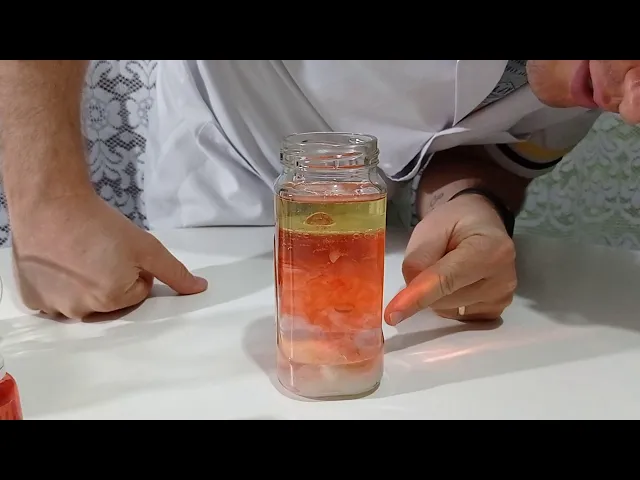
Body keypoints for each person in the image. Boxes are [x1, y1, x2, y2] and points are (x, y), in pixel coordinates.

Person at [0, 60, 638, 323]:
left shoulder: (601, 80)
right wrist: (50, 203)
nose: (631, 106)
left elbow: (485, 143)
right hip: (226, 149)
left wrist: (471, 204)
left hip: (367, 207)